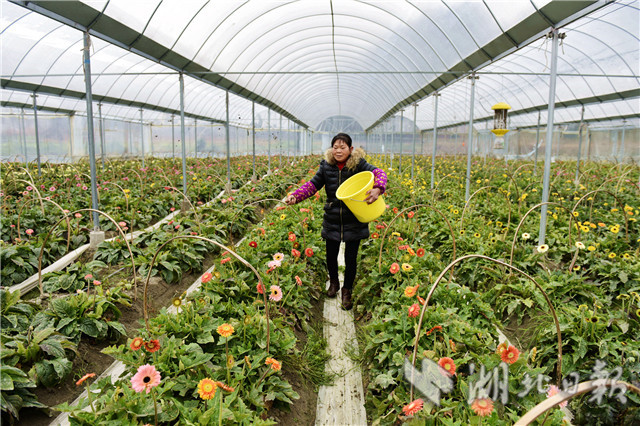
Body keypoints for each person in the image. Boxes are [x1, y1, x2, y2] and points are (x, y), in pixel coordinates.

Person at [285, 133, 387, 310]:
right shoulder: (326, 166)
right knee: (331, 255)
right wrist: (296, 196)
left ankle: (347, 290)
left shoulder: (359, 165)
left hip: (354, 218)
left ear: (351, 149)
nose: (338, 151)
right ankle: (334, 282)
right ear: (331, 149)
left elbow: (380, 173)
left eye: (342, 147)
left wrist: (378, 188)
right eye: (335, 147)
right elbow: (312, 185)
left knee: (351, 258)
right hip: (332, 218)